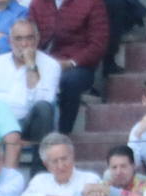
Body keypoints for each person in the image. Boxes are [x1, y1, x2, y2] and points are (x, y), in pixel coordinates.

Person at [28, 0, 107, 134]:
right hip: (42, 62)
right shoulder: (37, 4)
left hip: (77, 66)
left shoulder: (92, 3)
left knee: (69, 81)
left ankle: (63, 133)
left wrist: (71, 62)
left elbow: (98, 44)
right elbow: (29, 37)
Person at [0, 19, 59, 148]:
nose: (24, 44)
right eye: (18, 39)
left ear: (37, 39)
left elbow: (44, 104)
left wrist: (31, 66)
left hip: (28, 123)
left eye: (29, 38)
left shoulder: (51, 65)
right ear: (10, 41)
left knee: (44, 108)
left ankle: (39, 167)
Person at [23, 132, 98, 196]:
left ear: (73, 156)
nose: (60, 166)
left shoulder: (89, 179)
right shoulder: (39, 181)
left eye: (64, 159)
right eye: (55, 161)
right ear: (46, 165)